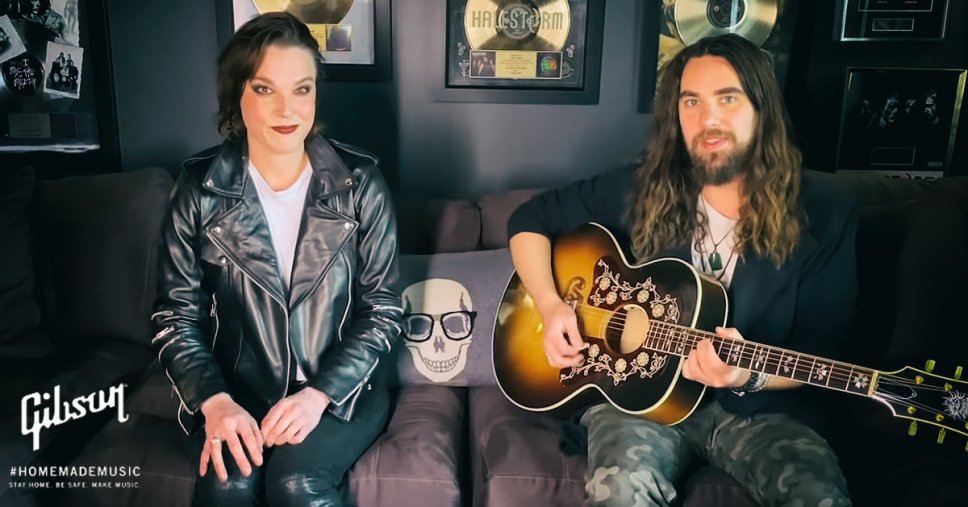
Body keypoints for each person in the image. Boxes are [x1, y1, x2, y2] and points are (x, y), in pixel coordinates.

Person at [507, 34, 856, 507]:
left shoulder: (826, 214)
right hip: (640, 403)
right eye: (691, 101)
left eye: (727, 99)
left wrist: (747, 375)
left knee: (818, 499)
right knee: (619, 491)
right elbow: (530, 220)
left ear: (762, 110)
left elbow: (824, 346)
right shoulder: (643, 188)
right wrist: (551, 306)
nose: (707, 119)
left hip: (764, 412)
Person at [152, 12, 402, 506]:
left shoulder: (360, 183)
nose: (288, 108)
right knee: (227, 485)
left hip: (342, 391)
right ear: (237, 95)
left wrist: (318, 395)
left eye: (302, 89)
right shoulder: (199, 189)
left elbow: (383, 310)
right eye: (265, 89)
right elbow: (175, 317)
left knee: (294, 483)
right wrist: (215, 402)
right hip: (237, 391)